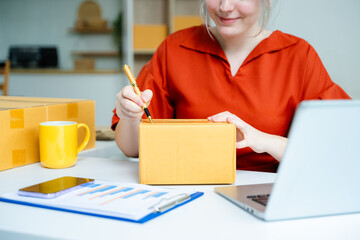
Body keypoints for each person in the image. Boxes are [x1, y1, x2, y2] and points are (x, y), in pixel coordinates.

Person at [112, 0, 350, 172]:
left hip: (268, 190)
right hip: (189, 187)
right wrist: (130, 117)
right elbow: (133, 149)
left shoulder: (298, 55)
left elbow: (337, 146)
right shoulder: (174, 49)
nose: (225, 7)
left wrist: (266, 141)